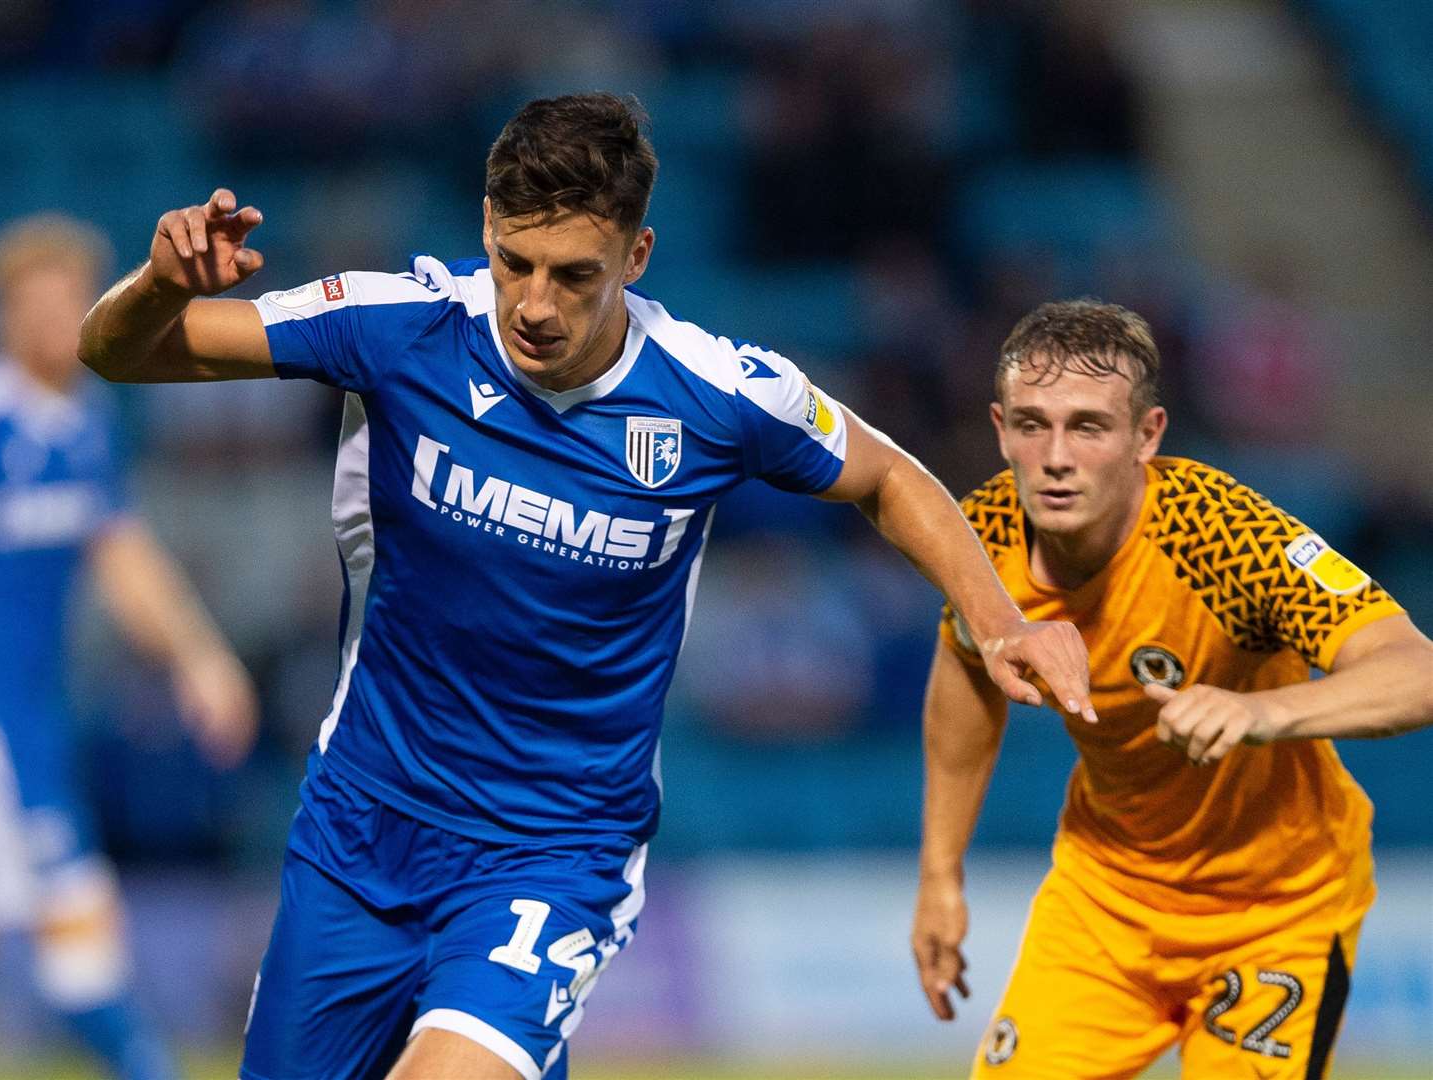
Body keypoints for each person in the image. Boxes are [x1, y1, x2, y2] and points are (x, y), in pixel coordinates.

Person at [78, 93, 1095, 1080]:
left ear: (635, 257)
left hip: (551, 853)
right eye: (513, 262)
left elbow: (885, 474)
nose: (533, 304)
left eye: (573, 276)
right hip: (359, 830)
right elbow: (116, 353)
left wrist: (997, 621)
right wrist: (163, 285)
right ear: (484, 226)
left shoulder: (712, 394)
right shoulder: (400, 325)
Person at [911, 299, 1433, 1078]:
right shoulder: (985, 536)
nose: (1055, 456)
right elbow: (964, 670)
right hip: (1105, 902)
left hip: (1278, 909)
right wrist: (940, 872)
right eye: (1031, 423)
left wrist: (1262, 711)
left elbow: (1417, 671)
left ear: (1146, 436)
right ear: (999, 427)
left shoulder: (1219, 536)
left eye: (1088, 426)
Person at [0, 214, 258, 1080]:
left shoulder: (86, 422)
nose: (59, 320)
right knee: (78, 921)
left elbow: (124, 558)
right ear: (1, 315)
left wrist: (200, 658)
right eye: (39, 304)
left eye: (72, 300)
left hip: (36, 713)